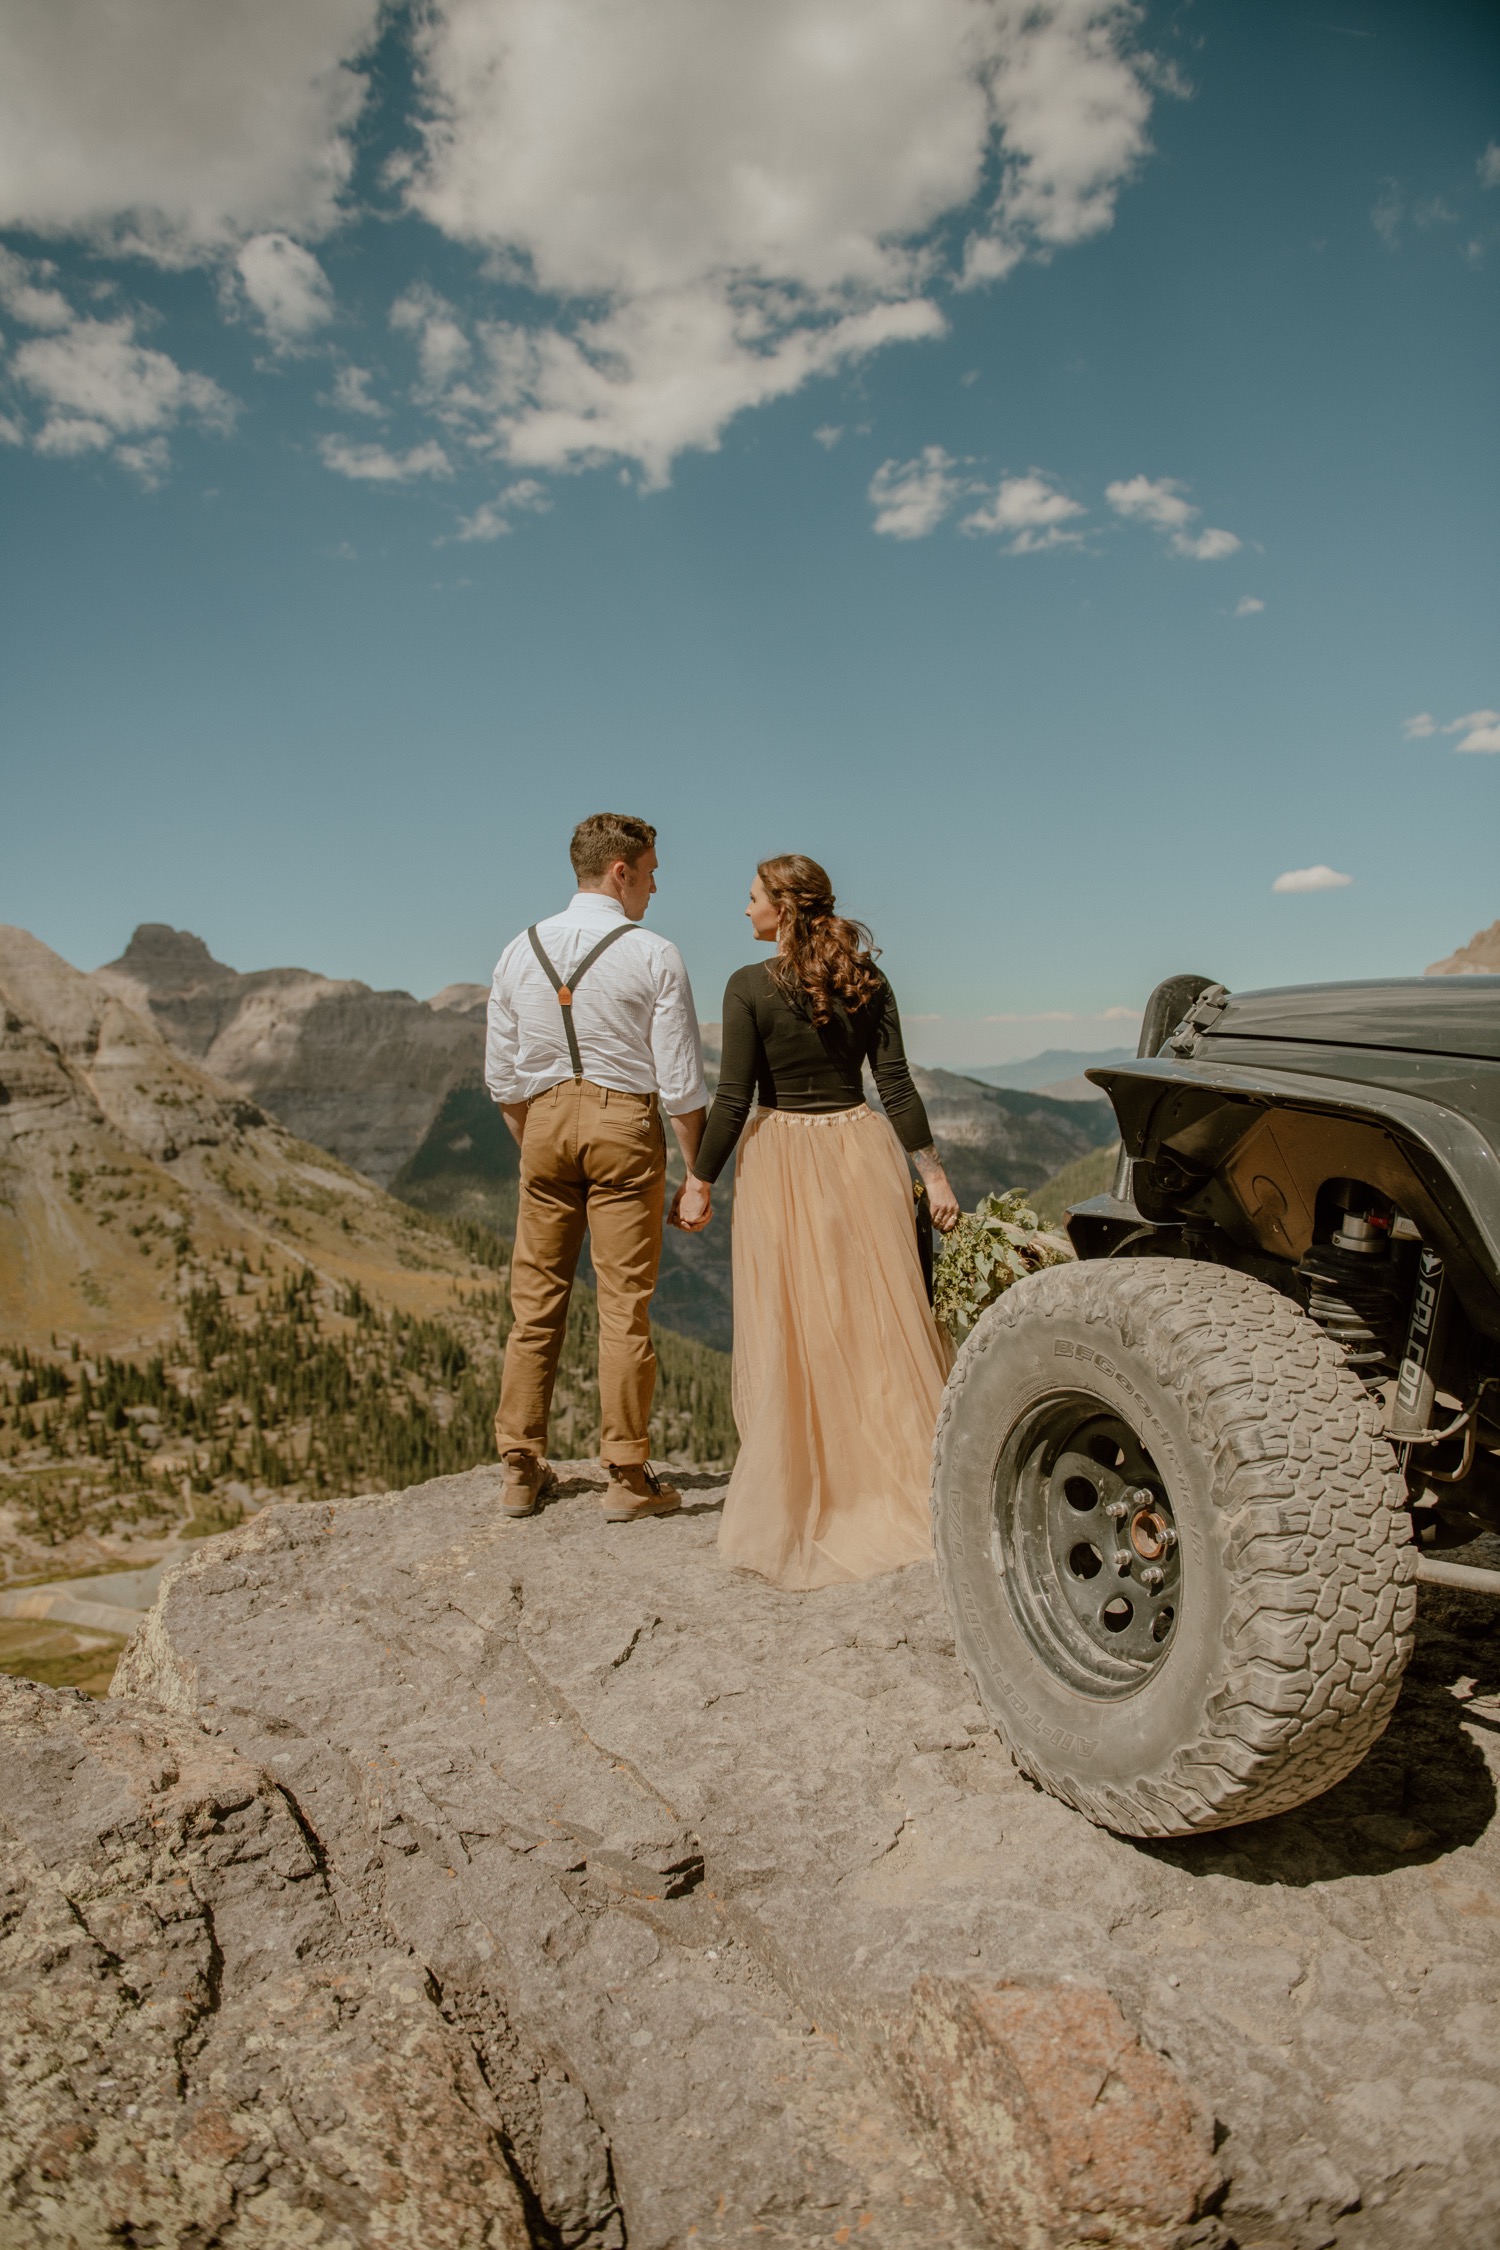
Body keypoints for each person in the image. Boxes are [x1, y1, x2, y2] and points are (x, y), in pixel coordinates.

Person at [674, 854, 960, 1590]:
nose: (744, 912)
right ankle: (896, 1477)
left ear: (784, 907)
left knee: (796, 1323)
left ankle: (814, 1489)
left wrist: (698, 1180)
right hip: (862, 1150)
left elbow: (733, 1098)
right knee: (873, 1320)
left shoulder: (746, 987)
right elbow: (894, 1084)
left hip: (783, 1162)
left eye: (752, 899)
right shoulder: (866, 979)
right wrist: (932, 1176)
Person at [485, 813, 709, 1522]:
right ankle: (625, 1475)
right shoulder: (653, 952)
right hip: (623, 1121)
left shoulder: (518, 950)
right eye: (649, 871)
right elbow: (680, 1084)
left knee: (536, 1302)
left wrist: (540, 1145)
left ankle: (521, 1467)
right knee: (622, 1304)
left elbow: (502, 1079)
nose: (654, 884)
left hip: (544, 1121)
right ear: (621, 870)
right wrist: (695, 1175)